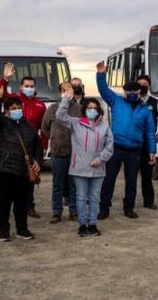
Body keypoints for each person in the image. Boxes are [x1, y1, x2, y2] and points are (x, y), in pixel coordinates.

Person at [96, 61, 156, 219]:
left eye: (133, 90)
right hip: (115, 147)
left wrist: (151, 151)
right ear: (124, 91)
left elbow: (150, 131)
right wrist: (101, 74)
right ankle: (104, 208)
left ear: (138, 91)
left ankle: (129, 207)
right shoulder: (116, 101)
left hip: (134, 150)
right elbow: (103, 90)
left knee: (131, 181)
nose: (130, 93)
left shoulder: (145, 110)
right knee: (108, 178)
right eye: (127, 90)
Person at [55, 86, 114, 236]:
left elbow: (109, 146)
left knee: (94, 197)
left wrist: (99, 159)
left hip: (97, 168)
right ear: (84, 109)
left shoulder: (104, 126)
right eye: (89, 108)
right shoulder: (76, 123)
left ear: (99, 110)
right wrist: (65, 100)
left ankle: (92, 224)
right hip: (79, 168)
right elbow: (60, 116)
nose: (92, 110)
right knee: (81, 197)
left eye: (94, 108)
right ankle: (82, 224)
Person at [0, 81, 42, 242]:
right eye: (13, 109)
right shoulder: (1, 124)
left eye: (18, 108)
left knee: (21, 202)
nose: (17, 111)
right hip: (4, 170)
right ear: (6, 112)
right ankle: (4, 231)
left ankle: (22, 229)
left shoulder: (29, 127)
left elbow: (37, 146)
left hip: (23, 172)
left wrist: (38, 161)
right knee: (4, 202)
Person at [0, 62, 47, 219]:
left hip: (31, 144)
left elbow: (44, 127)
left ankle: (29, 206)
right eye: (26, 85)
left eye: (31, 85)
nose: (29, 88)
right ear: (21, 87)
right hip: (14, 144)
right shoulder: (15, 100)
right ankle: (16, 206)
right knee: (15, 176)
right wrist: (5, 79)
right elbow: (1, 93)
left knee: (31, 174)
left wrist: (44, 146)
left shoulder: (40, 104)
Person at [41, 82, 79, 224]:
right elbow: (44, 128)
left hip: (74, 153)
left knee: (74, 184)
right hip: (57, 152)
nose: (66, 92)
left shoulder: (79, 109)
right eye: (64, 90)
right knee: (57, 184)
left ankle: (73, 212)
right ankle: (56, 212)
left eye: (69, 89)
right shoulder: (52, 108)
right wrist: (54, 137)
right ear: (59, 92)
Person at [137, 75, 158, 210]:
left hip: (149, 143)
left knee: (147, 174)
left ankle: (149, 201)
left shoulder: (154, 102)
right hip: (134, 143)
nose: (143, 86)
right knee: (131, 175)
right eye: (140, 84)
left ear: (149, 86)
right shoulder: (132, 101)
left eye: (145, 84)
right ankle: (129, 202)